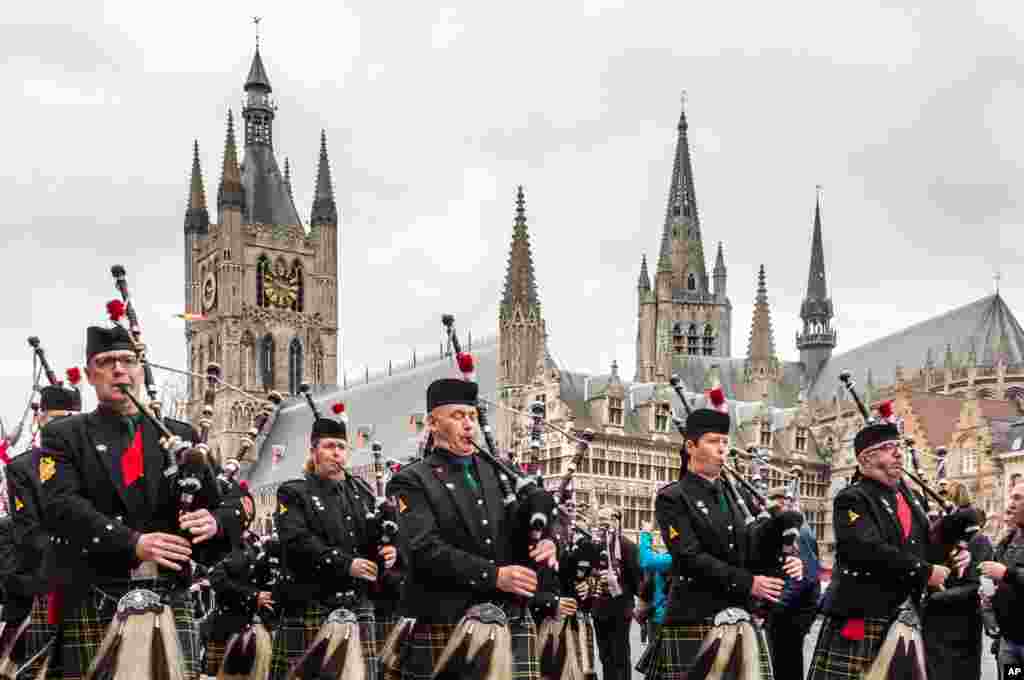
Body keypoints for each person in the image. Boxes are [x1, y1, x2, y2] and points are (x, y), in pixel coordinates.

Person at [41, 323, 240, 680]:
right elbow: (60, 507)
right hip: (98, 595)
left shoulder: (180, 435)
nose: (119, 369)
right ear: (90, 375)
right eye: (106, 361)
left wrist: (215, 521)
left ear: (139, 369)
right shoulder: (64, 435)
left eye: (127, 360)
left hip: (170, 596)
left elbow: (224, 502)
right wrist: (134, 543)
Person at [382, 378, 557, 680]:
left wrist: (549, 539)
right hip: (446, 619)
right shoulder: (412, 480)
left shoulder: (499, 471)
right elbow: (424, 550)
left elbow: (535, 509)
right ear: (433, 423)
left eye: (472, 416)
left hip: (508, 617)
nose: (468, 425)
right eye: (457, 416)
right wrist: (495, 576)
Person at [644, 404, 803, 679]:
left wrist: (784, 550)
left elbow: (754, 549)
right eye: (713, 441)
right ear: (691, 447)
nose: (722, 449)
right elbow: (689, 558)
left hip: (740, 614)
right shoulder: (673, 497)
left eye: (725, 442)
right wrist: (749, 583)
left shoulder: (737, 494)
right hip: (695, 616)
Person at [806, 418, 970, 680]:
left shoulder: (913, 500)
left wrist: (953, 553)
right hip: (863, 615)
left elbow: (923, 549)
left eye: (898, 446)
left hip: (905, 615)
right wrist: (926, 571)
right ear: (866, 458)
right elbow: (865, 549)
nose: (898, 453)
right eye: (888, 447)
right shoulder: (852, 498)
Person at [269, 403, 396, 680]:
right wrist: (346, 564)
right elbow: (296, 540)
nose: (336, 453)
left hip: (357, 605)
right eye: (329, 446)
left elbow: (371, 544)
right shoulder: (293, 493)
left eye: (341, 447)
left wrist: (387, 550)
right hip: (311, 605)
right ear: (313, 451)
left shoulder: (362, 495)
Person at [1, 380, 80, 677]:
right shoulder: (23, 467)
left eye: (68, 421)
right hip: (49, 579)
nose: (61, 428)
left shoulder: (95, 460)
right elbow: (29, 531)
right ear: (41, 419)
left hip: (101, 579)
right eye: (55, 420)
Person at [764, 485, 820, 680]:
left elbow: (802, 576)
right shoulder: (800, 529)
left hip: (790, 614)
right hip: (794, 611)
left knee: (785, 667)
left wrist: (774, 605)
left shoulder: (797, 532)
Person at [590, 506, 641, 680]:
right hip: (598, 610)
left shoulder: (628, 546)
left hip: (620, 610)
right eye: (600, 518)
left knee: (620, 656)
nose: (602, 522)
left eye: (607, 518)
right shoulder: (593, 545)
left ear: (617, 521)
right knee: (605, 657)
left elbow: (637, 582)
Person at [979, 480, 1024, 678]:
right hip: (1009, 644)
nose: (1010, 504)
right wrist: (989, 600)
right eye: (1010, 497)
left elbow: (1007, 575)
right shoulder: (1006, 541)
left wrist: (1006, 574)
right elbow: (996, 586)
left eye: (1017, 498)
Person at [636, 520, 671, 642]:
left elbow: (646, 560)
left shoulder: (674, 558)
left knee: (657, 659)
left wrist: (646, 533)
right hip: (664, 616)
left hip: (662, 618)